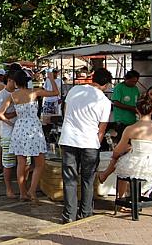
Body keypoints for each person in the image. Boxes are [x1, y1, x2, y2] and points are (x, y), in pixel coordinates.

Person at [58, 68, 113, 224]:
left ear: (92, 78)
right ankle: (86, 212)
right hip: (90, 143)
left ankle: (69, 215)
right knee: (88, 179)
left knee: (69, 179)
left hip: (68, 139)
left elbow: (66, 111)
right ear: (107, 85)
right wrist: (96, 143)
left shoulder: (75, 90)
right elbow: (101, 130)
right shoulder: (104, 102)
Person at [0, 70, 59, 202]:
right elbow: (55, 93)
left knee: (21, 162)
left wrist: (10, 124)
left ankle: (23, 193)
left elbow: (0, 114)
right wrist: (51, 79)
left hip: (19, 128)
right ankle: (32, 190)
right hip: (33, 128)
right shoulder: (34, 92)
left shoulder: (12, 96)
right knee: (39, 162)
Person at [98, 93, 152, 199]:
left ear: (137, 110)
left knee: (120, 161)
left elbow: (117, 151)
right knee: (123, 158)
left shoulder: (131, 129)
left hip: (137, 164)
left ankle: (121, 197)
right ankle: (105, 175)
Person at [0, 69, 19, 198]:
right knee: (8, 163)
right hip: (7, 133)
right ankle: (9, 188)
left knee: (23, 162)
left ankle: (22, 187)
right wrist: (17, 112)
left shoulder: (19, 94)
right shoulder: (1, 95)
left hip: (20, 132)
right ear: (9, 80)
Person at [112, 70, 141, 140]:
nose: (134, 83)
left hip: (132, 120)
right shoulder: (119, 87)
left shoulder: (135, 89)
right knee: (122, 140)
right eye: (132, 81)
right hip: (121, 121)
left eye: (135, 82)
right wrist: (131, 108)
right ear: (125, 79)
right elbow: (115, 103)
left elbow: (138, 101)